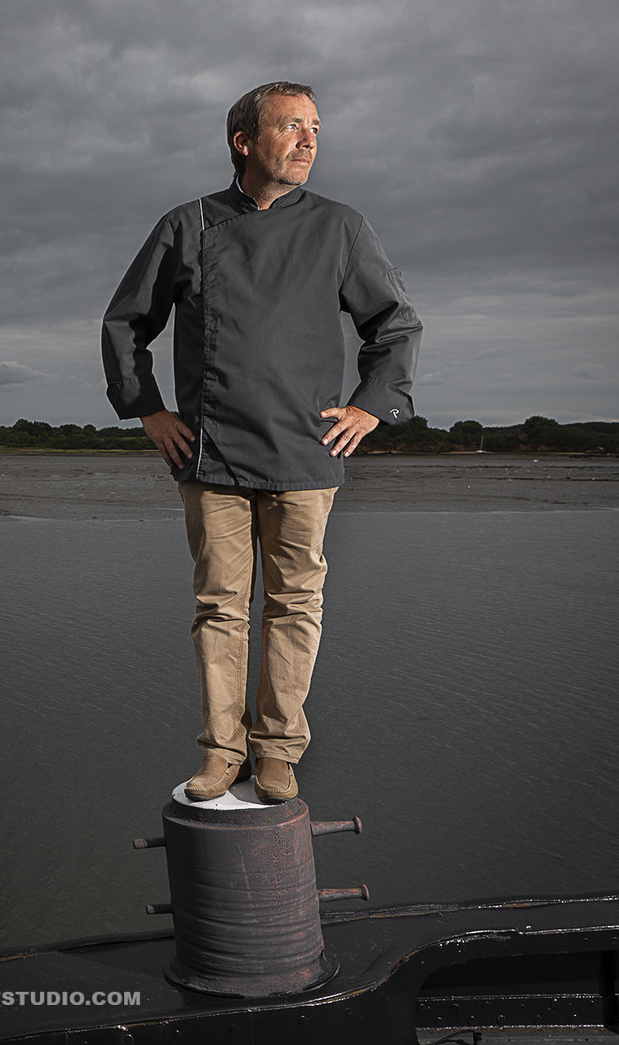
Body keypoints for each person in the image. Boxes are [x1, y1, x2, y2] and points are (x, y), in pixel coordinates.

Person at [100, 81, 421, 802]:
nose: (309, 139)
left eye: (315, 127)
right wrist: (148, 410)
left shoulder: (340, 228)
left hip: (309, 454)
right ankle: (222, 751)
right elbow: (125, 324)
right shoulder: (189, 225)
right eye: (291, 126)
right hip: (209, 452)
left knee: (295, 606)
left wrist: (371, 407)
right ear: (244, 141)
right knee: (220, 607)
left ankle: (277, 752)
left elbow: (395, 325)